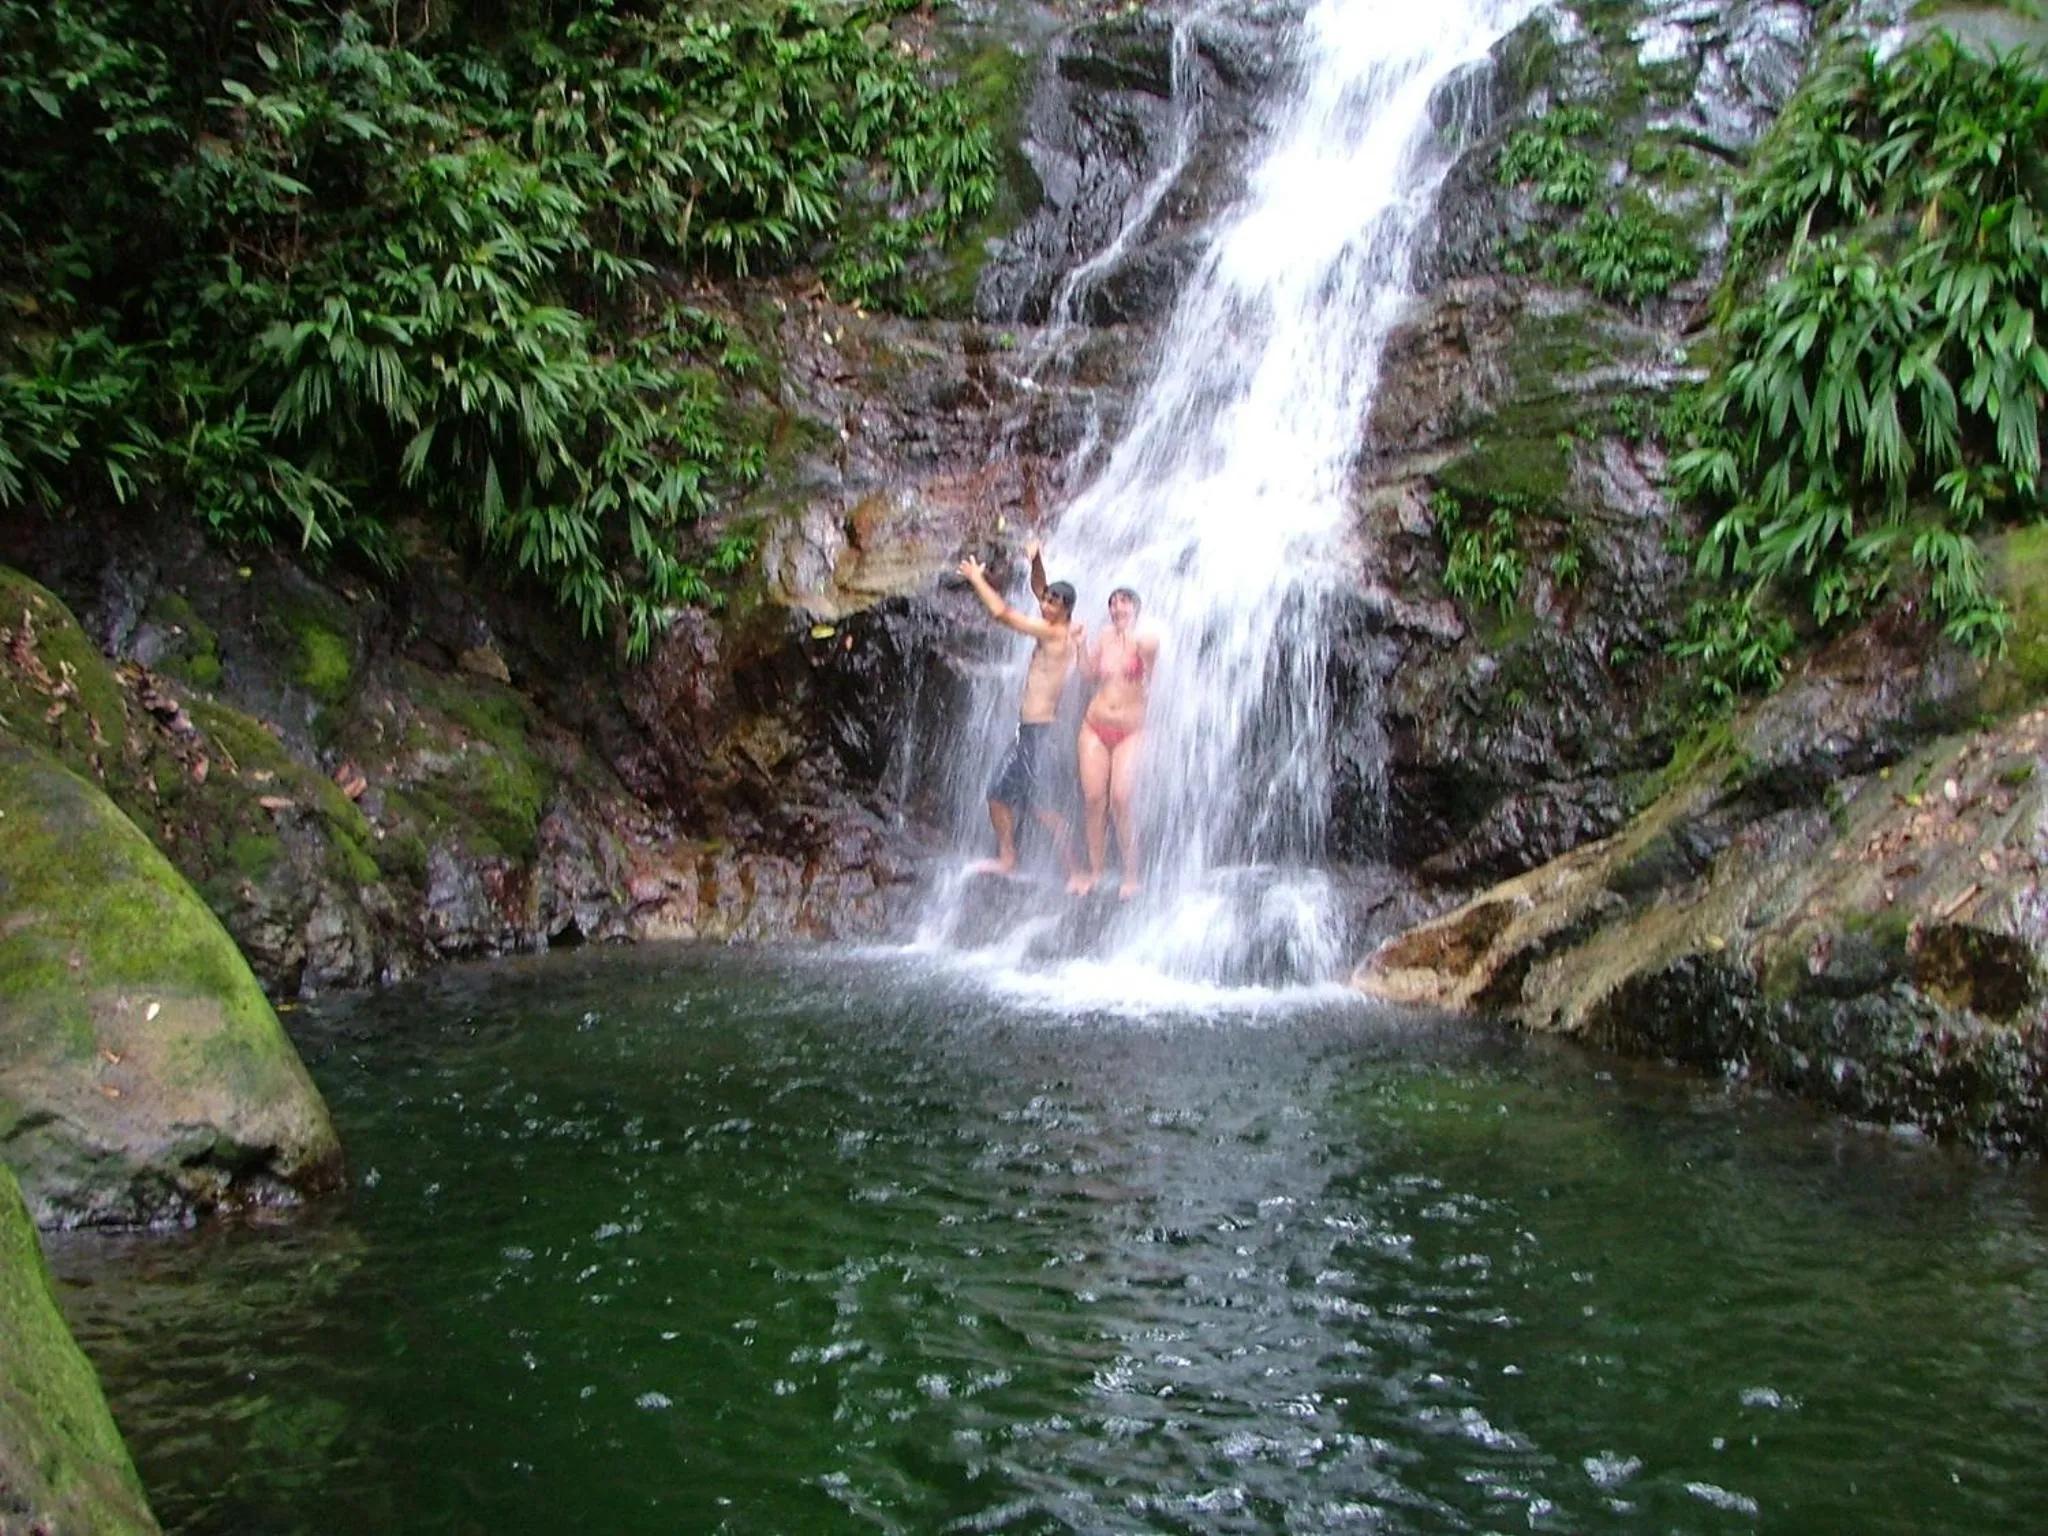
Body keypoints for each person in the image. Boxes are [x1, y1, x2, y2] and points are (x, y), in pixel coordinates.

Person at [957, 539, 1084, 880]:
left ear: (1065, 611)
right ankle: (1009, 856)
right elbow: (1040, 586)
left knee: (1041, 807)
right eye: (1045, 600)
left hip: (1039, 734)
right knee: (1000, 795)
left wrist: (976, 578)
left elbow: (1002, 614)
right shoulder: (1062, 625)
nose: (1044, 604)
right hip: (1029, 731)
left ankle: (1075, 871)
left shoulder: (1054, 633)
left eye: (1052, 603)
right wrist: (1037, 559)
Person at [1074, 585, 1157, 899]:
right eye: (1113, 604)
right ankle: (1095, 872)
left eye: (1123, 604)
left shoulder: (1146, 641)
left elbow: (1155, 676)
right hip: (1094, 726)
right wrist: (1081, 646)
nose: (1117, 609)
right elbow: (1087, 674)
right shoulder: (1104, 637)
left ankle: (1131, 874)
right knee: (1094, 799)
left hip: (1131, 731)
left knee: (1120, 798)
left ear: (1136, 609)